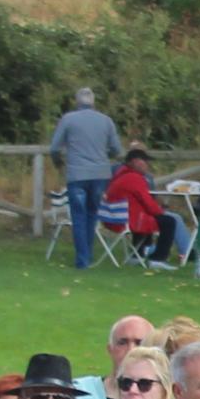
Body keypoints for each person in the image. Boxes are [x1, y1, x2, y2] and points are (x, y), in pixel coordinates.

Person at [52, 86, 125, 267]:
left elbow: (54, 148)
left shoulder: (68, 119)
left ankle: (82, 259)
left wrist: (59, 163)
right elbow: (117, 150)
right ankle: (88, 254)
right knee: (92, 214)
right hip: (100, 174)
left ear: (77, 102)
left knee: (78, 216)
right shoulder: (106, 121)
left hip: (76, 174)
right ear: (93, 102)